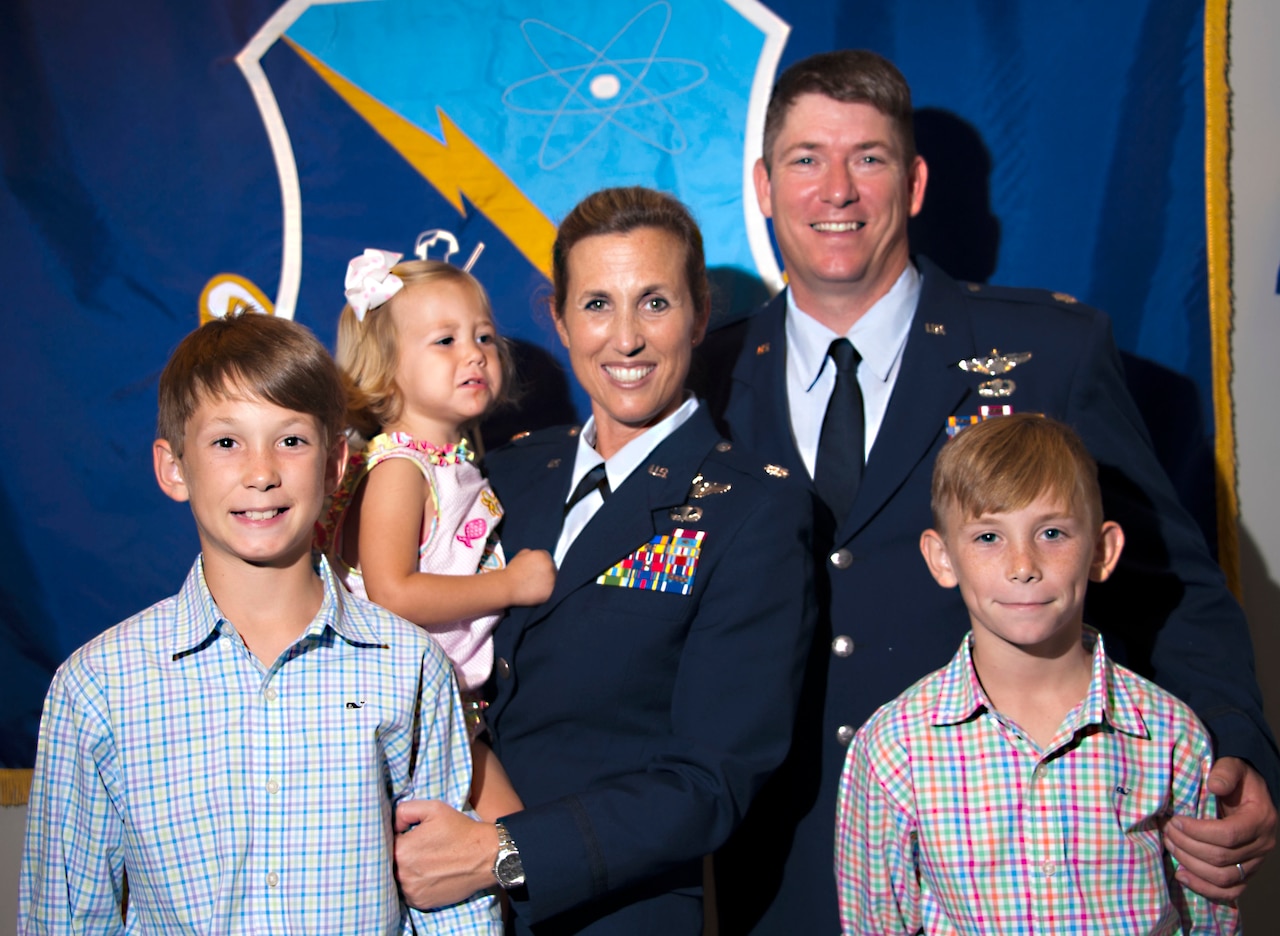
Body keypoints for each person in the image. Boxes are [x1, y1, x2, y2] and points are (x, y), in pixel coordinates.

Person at [700, 49, 1278, 934]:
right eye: (806, 159)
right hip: (777, 861)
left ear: (917, 182)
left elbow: (1172, 585)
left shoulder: (1053, 353)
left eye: (870, 158)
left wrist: (1238, 745)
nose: (837, 191)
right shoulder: (707, 379)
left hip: (1011, 861)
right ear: (764, 185)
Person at [390, 186, 817, 934]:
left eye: (654, 303)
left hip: (608, 913)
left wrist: (502, 852)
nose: (625, 339)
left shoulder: (753, 510)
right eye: (596, 305)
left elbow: (710, 781)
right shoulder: (503, 474)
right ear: (558, 318)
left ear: (700, 315)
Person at [18, 312, 500, 934]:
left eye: (291, 440)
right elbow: (66, 917)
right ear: (173, 468)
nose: (261, 472)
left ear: (334, 467)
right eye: (226, 442)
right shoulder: (97, 687)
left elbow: (453, 906)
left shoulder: (410, 664)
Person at [836, 413, 1239, 934]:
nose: (1022, 564)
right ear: (942, 558)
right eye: (987, 537)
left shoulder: (1171, 736)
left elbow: (1210, 922)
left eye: (1051, 532)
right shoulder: (892, 748)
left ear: (1101, 550)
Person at [319, 251, 555, 821]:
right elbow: (394, 593)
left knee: (501, 847)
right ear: (386, 363)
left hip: (445, 705)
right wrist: (511, 584)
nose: (475, 352)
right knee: (505, 838)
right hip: (390, 707)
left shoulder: (452, 463)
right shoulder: (400, 469)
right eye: (445, 340)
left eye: (485, 337)